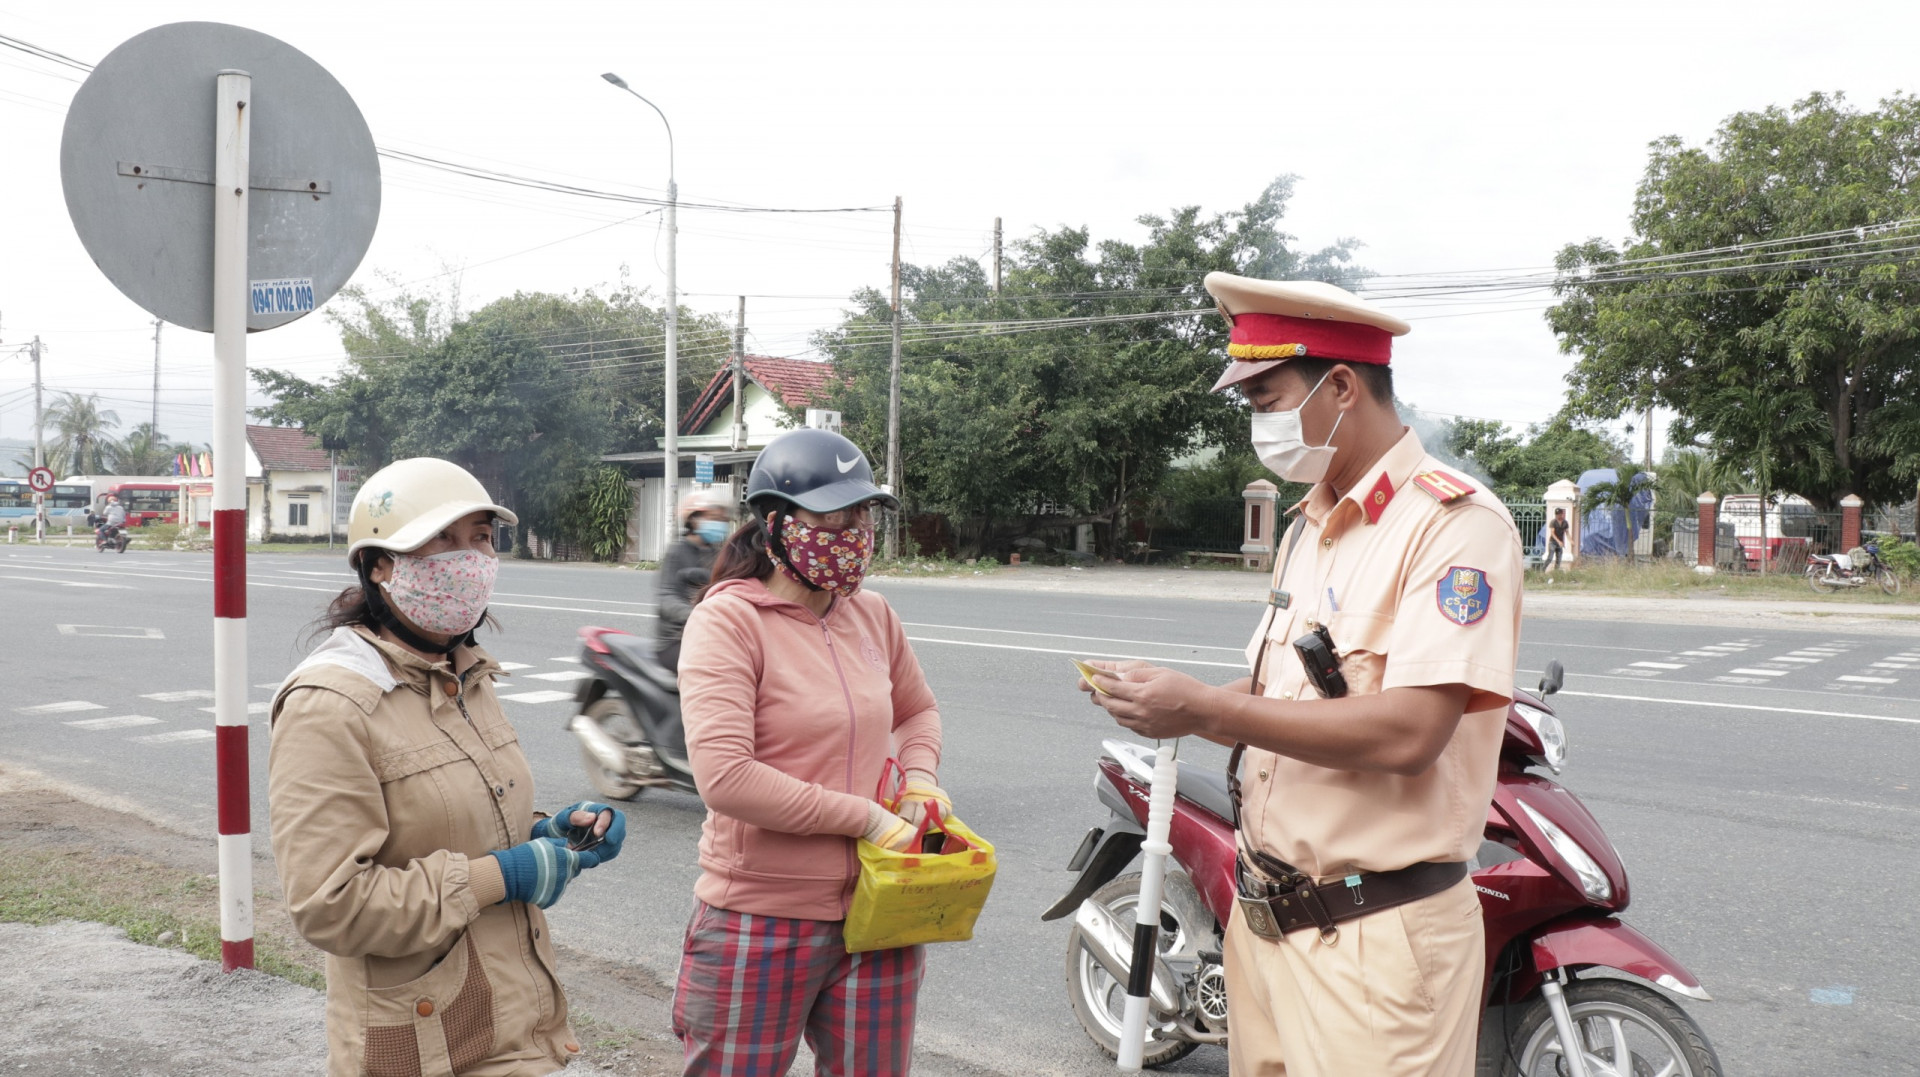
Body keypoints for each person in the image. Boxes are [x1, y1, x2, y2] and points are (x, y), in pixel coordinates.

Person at [1082, 275, 1523, 1077]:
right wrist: (1175, 700)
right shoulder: (1310, 526)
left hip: (1377, 941)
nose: (1257, 420)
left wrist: (1207, 708)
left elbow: (1412, 730)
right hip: (1267, 926)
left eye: (1265, 396)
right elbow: (1281, 692)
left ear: (1343, 387)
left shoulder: (1454, 527)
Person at [268, 457, 625, 1077]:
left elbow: (454, 820)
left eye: (480, 538)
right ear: (380, 566)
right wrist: (502, 875)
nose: (468, 559)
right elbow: (331, 907)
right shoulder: (332, 704)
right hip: (419, 1042)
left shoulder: (466, 673)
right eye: (442, 540)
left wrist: (546, 835)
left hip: (515, 1022)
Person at [673, 427, 947, 1077]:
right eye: (832, 513)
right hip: (759, 919)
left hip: (882, 911)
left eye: (863, 512)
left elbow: (917, 710)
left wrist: (920, 781)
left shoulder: (873, 614)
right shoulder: (728, 622)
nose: (853, 528)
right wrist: (870, 817)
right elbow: (728, 778)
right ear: (774, 523)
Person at [655, 491, 732, 671]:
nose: (720, 525)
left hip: (708, 635)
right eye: (714, 518)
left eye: (723, 521)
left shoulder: (718, 554)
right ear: (695, 520)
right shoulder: (677, 551)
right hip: (675, 640)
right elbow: (666, 598)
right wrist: (696, 615)